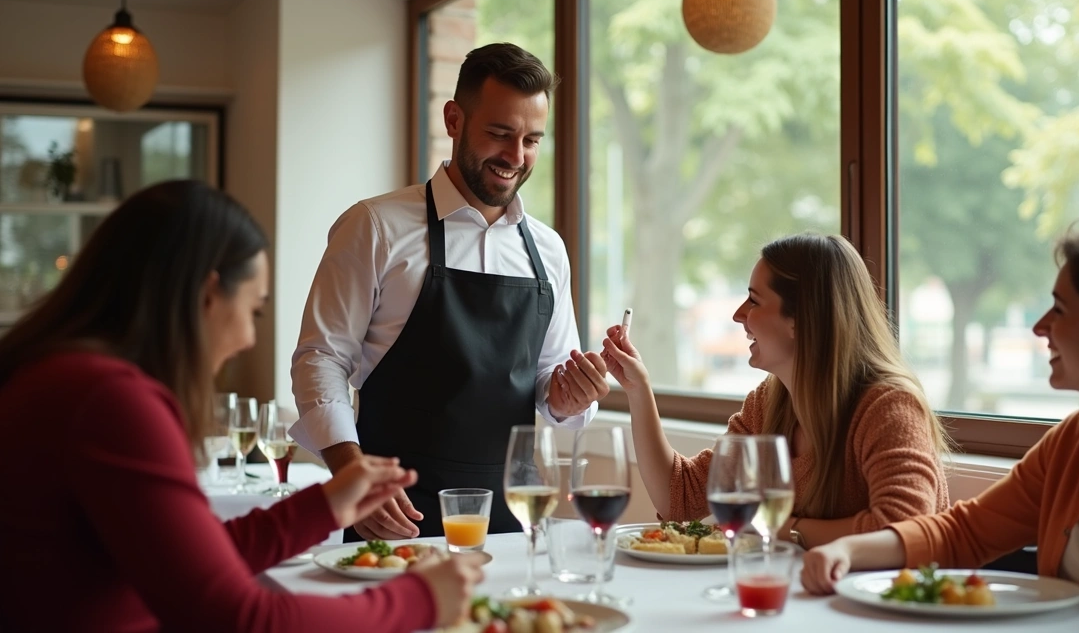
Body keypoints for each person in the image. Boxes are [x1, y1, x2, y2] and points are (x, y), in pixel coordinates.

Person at [0, 180, 486, 632]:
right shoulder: (109, 402)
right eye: (254, 310)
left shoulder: (65, 376)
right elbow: (239, 616)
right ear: (209, 294)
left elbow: (189, 561)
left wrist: (323, 506)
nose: (251, 339)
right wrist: (419, 599)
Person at [799, 220, 1079, 616]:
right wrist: (848, 551)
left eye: (1060, 309)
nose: (1039, 327)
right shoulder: (1073, 443)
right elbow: (964, 533)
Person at [291, 42, 610, 542]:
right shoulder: (373, 226)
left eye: (532, 140)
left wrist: (571, 397)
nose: (516, 156)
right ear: (454, 119)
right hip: (394, 514)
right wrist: (350, 474)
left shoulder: (549, 250)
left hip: (514, 520)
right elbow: (320, 359)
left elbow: (550, 381)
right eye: (500, 134)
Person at [601, 233, 951, 549]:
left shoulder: (889, 408)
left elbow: (906, 530)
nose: (739, 315)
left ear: (800, 319)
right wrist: (637, 389)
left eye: (754, 300)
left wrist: (779, 527)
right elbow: (680, 498)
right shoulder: (768, 403)